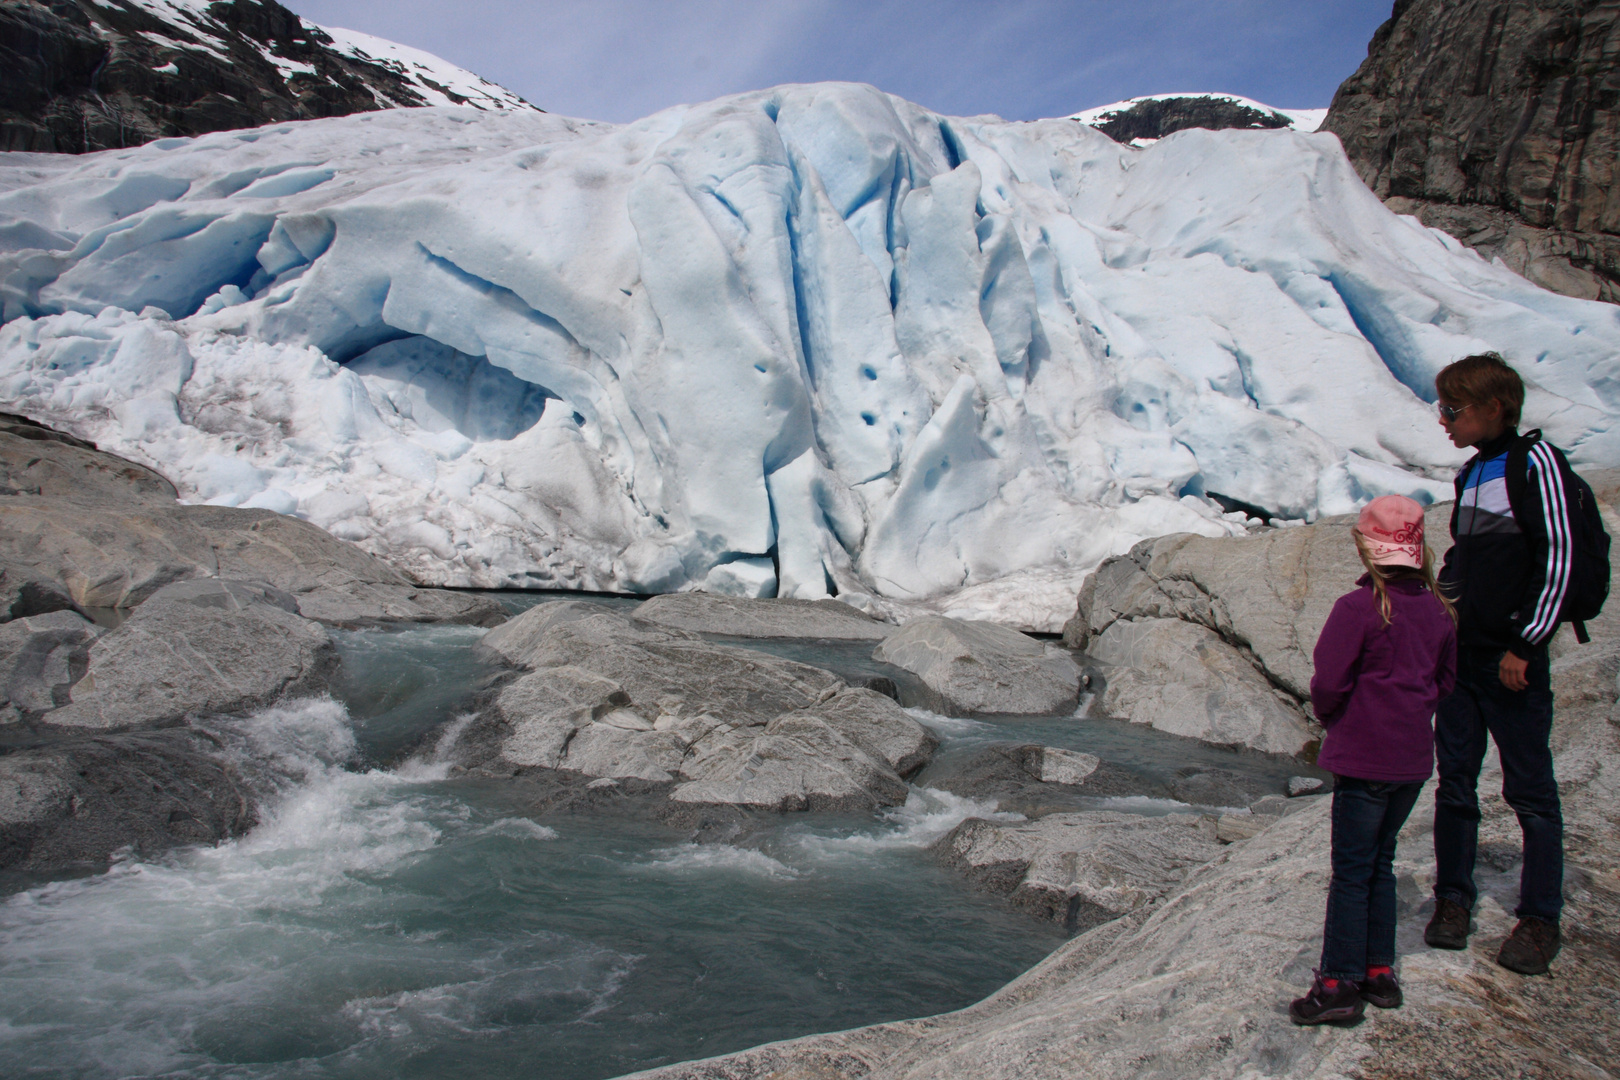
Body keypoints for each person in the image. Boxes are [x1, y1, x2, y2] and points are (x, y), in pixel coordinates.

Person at [1425, 353, 1571, 975]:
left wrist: (1527, 645)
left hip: (1512, 660)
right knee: (1455, 782)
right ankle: (1452, 898)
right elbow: (1467, 559)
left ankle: (1539, 918)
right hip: (1466, 657)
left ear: (1493, 408)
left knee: (1530, 791)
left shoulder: (1535, 463)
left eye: (1453, 410)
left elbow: (1557, 556)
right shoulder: (1473, 472)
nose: (1444, 421)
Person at [1290, 495, 1458, 1025]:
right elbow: (1445, 683)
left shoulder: (1357, 608)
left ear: (1365, 546)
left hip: (1363, 759)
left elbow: (1328, 681)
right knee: (1381, 864)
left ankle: (1337, 982)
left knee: (1351, 872)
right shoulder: (1439, 610)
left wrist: (1334, 717)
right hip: (1411, 762)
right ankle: (1378, 972)